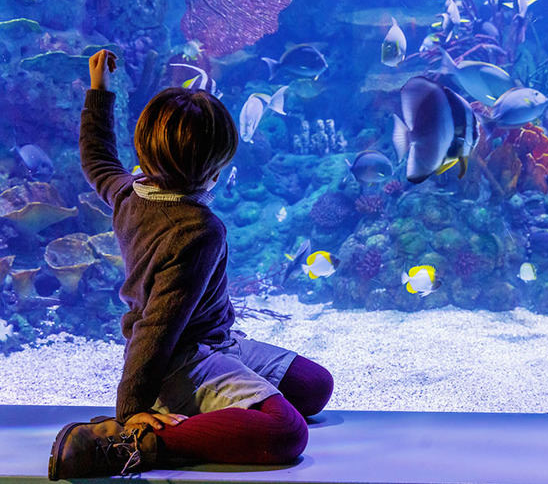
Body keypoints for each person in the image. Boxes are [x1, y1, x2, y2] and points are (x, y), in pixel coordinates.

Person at [48, 49, 334, 480]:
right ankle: (132, 445)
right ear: (213, 171)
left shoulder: (131, 190)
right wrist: (132, 411)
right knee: (287, 431)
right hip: (180, 357)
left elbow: (97, 158)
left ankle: (191, 414)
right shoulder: (198, 231)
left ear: (145, 153)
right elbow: (157, 328)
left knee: (313, 387)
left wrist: (99, 93)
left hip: (216, 341)